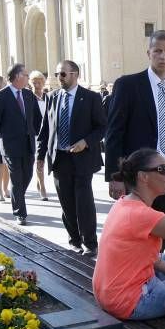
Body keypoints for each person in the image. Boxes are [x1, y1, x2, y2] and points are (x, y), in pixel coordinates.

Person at [93, 148, 165, 320]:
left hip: (108, 295)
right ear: (143, 177)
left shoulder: (124, 203)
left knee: (163, 259)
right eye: (163, 169)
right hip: (133, 302)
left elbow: (154, 260)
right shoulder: (145, 216)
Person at [105, 29, 165, 220]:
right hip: (138, 177)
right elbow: (114, 133)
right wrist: (115, 176)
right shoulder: (128, 85)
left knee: (162, 231)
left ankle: (158, 253)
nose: (162, 56)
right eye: (157, 51)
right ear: (149, 53)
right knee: (137, 229)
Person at [37, 61, 107, 256]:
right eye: (57, 74)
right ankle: (74, 240)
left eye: (63, 74)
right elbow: (45, 130)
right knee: (66, 202)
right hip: (59, 158)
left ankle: (90, 243)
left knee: (83, 201)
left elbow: (102, 127)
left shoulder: (91, 98)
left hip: (82, 158)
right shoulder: (51, 97)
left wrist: (86, 141)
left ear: (75, 75)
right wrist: (40, 157)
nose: (59, 78)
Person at [0, 63, 43, 226]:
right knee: (17, 178)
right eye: (26, 75)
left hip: (28, 144)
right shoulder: (0, 96)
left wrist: (35, 133)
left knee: (27, 175)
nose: (28, 78)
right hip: (11, 145)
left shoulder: (28, 95)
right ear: (17, 77)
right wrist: (4, 138)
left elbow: (37, 118)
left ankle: (17, 196)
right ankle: (20, 212)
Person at [29, 70, 50, 201]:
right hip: (36, 133)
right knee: (39, 160)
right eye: (34, 82)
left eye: (40, 81)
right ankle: (42, 186)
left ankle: (39, 181)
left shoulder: (48, 96)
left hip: (48, 133)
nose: (37, 84)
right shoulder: (29, 97)